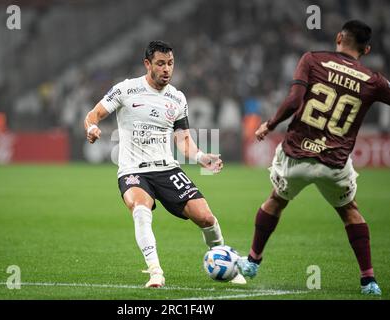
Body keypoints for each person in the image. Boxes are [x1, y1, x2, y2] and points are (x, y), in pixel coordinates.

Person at [238, 20, 390, 296]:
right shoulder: (374, 80)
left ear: (338, 37)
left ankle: (252, 262)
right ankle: (369, 280)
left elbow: (295, 100)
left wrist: (269, 125)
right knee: (349, 211)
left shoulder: (312, 59)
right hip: (334, 162)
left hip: (296, 155)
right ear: (366, 49)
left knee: (276, 200)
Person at [84, 41, 244, 288]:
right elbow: (93, 114)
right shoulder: (126, 89)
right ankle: (155, 271)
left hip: (167, 169)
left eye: (170, 63)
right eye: (160, 63)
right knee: (140, 208)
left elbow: (183, 140)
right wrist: (92, 127)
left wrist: (202, 158)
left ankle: (226, 262)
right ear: (147, 64)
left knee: (206, 218)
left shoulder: (177, 98)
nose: (167, 69)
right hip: (134, 170)